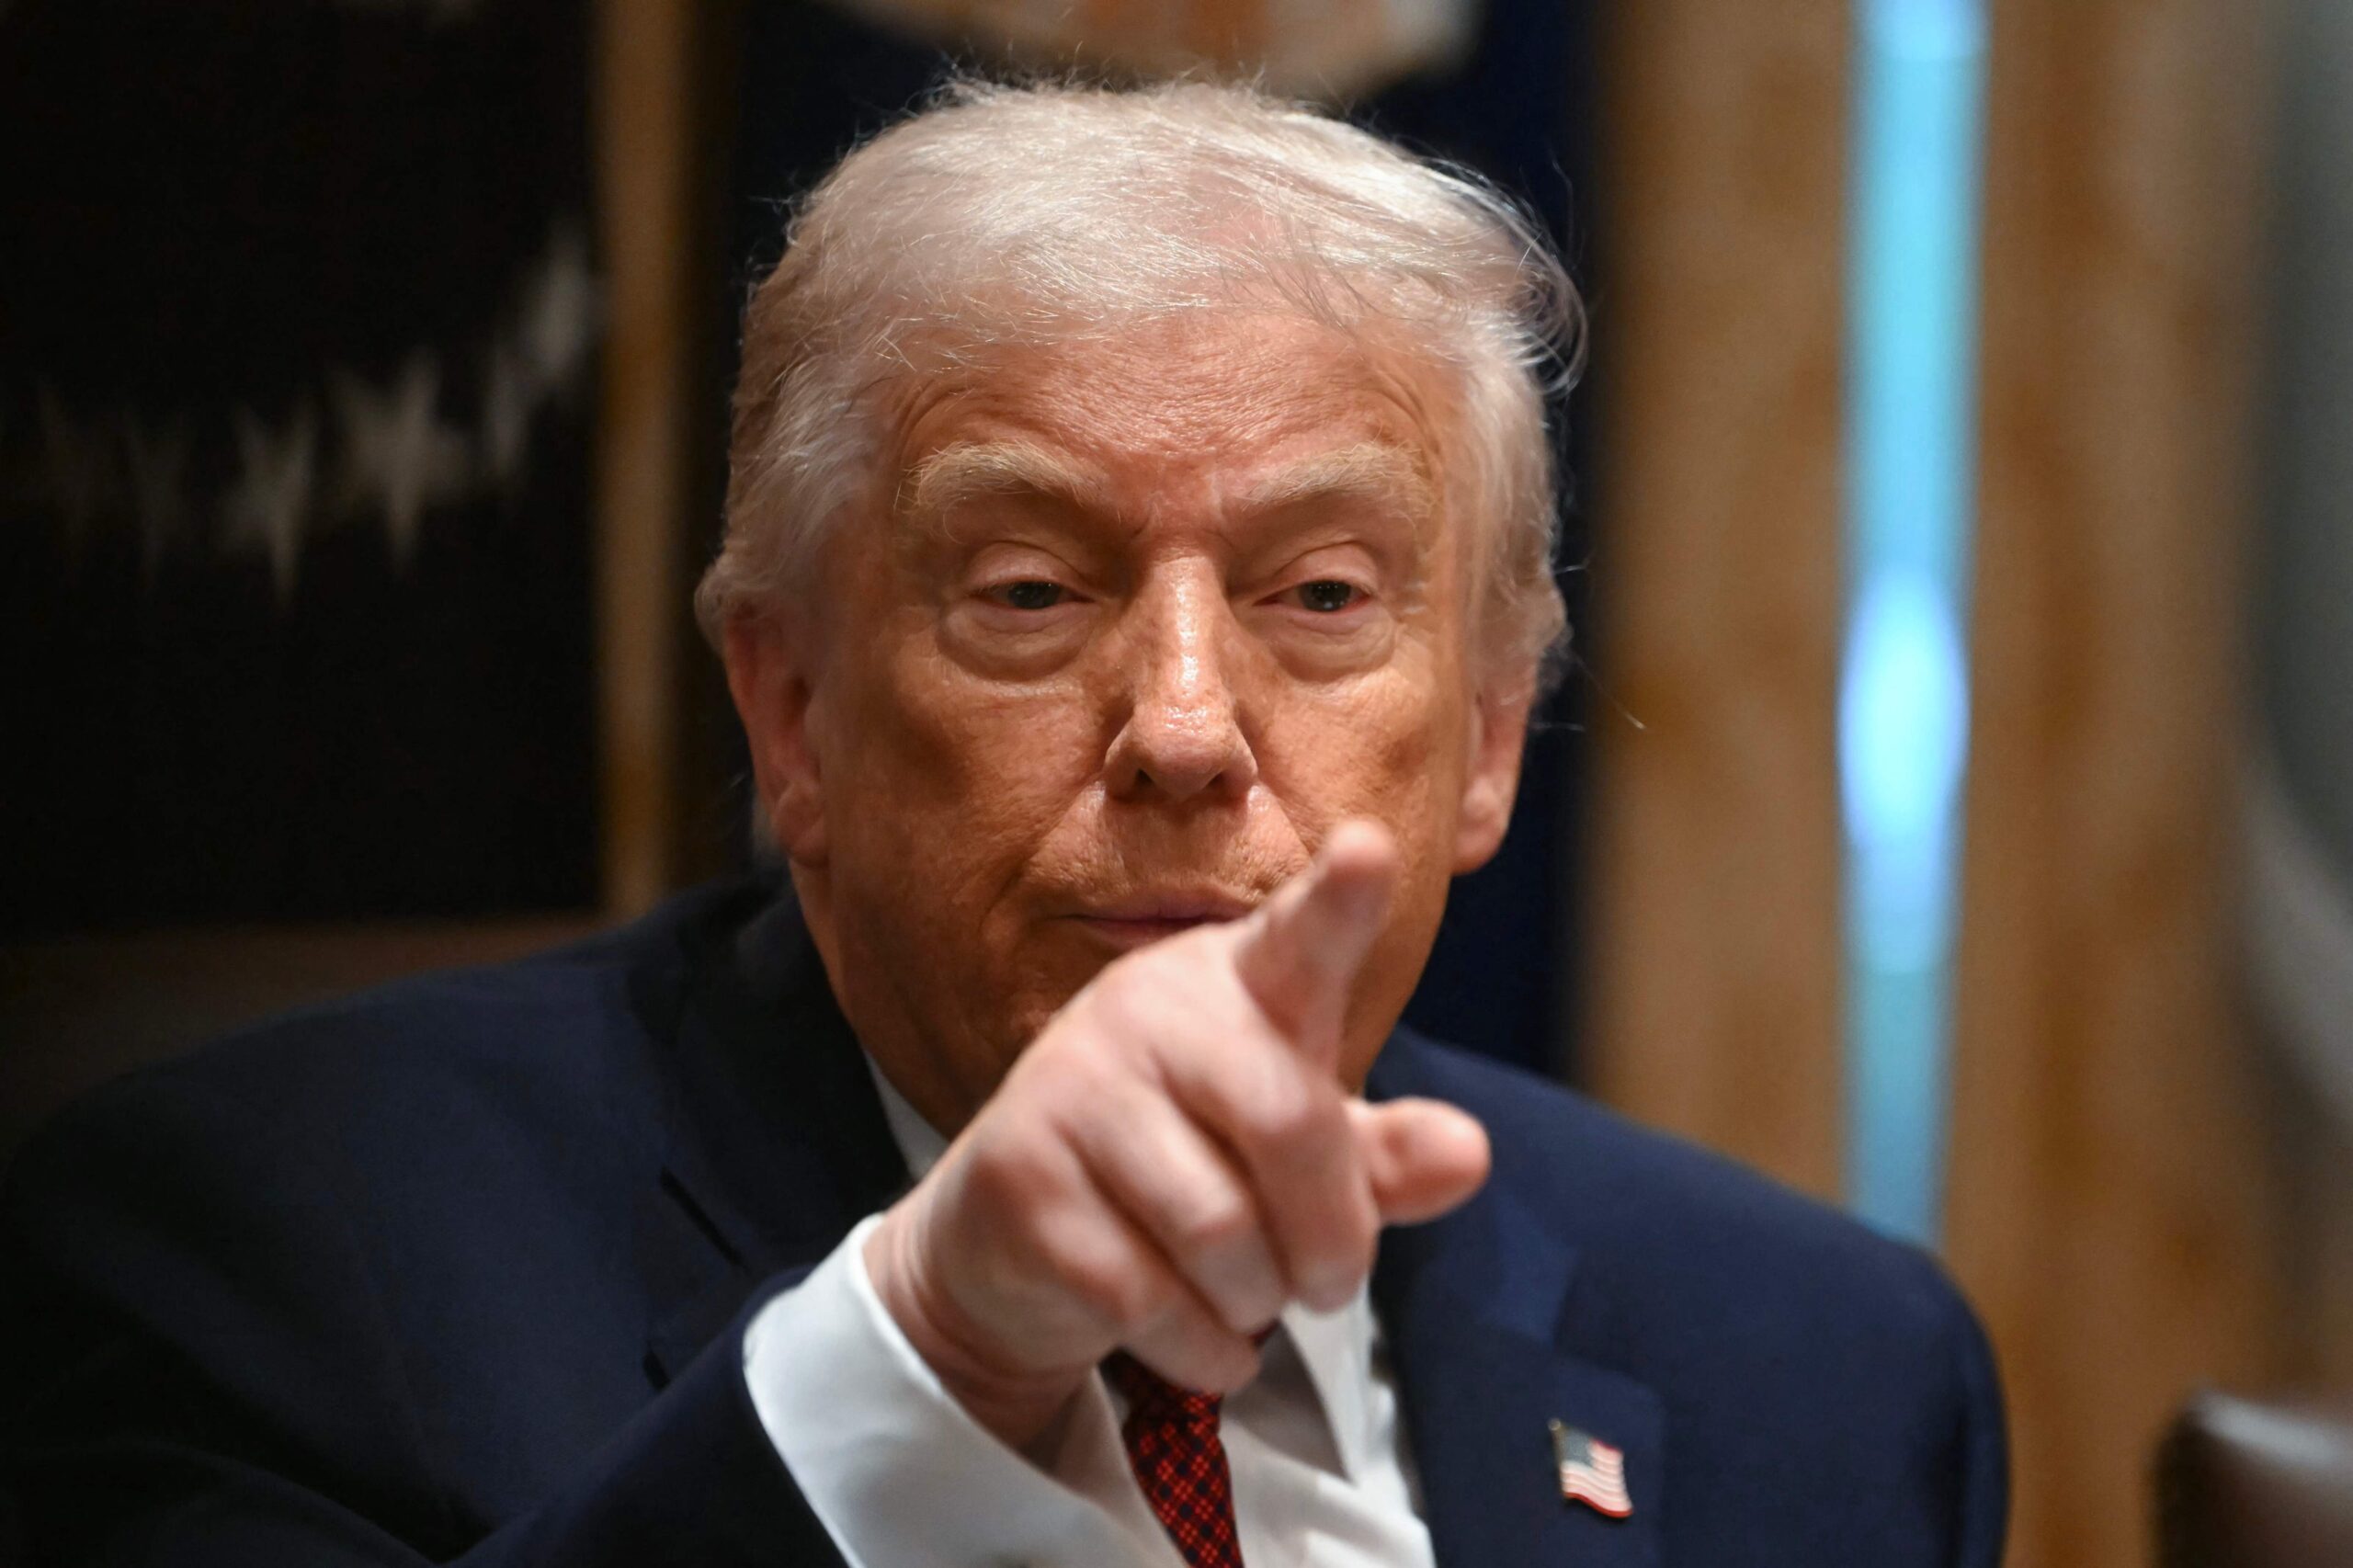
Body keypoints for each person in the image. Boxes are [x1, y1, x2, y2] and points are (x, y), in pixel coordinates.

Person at [0, 79, 2006, 1567]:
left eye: (1320, 597)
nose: (1185, 732)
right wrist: (929, 1355)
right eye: (1030, 594)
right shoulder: (259, 1258)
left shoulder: (1818, 1375)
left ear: (1484, 734)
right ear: (788, 709)